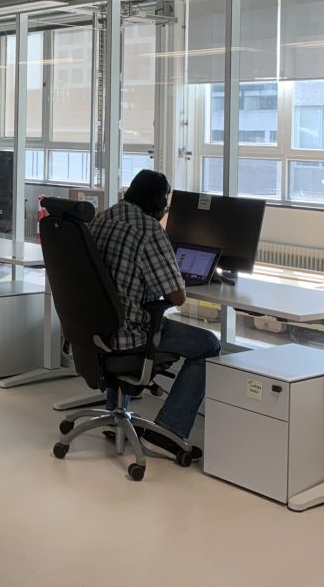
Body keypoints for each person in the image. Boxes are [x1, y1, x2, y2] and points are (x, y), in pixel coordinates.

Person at [89, 169, 220, 459]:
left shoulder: (102, 218)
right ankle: (169, 431)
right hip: (130, 337)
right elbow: (177, 297)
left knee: (122, 310)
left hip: (94, 332)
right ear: (158, 203)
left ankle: (114, 415)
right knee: (209, 345)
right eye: (165, 205)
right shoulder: (149, 230)